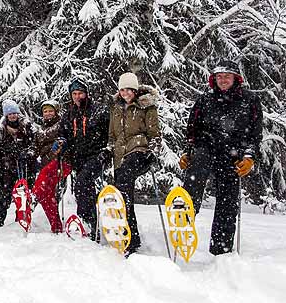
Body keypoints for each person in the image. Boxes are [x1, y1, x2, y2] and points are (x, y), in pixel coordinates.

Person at [179, 60, 262, 255]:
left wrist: (249, 156)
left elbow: (255, 134)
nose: (223, 79)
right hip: (206, 148)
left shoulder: (250, 100)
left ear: (236, 78)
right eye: (219, 76)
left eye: (227, 76)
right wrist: (187, 152)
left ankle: (221, 250)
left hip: (233, 154)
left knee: (227, 201)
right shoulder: (205, 100)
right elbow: (192, 130)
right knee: (197, 167)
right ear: (213, 79)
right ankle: (185, 210)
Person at [107, 72, 161, 254]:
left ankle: (130, 236)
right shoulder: (116, 108)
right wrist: (109, 149)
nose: (125, 93)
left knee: (123, 188)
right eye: (122, 90)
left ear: (135, 90)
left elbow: (154, 133)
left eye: (129, 89)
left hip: (140, 150)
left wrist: (153, 152)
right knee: (122, 193)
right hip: (120, 156)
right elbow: (112, 136)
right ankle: (129, 235)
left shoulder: (146, 106)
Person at [53, 77, 110, 235]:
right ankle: (91, 225)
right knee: (83, 189)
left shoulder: (98, 110)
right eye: (74, 94)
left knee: (82, 183)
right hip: (78, 156)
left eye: (80, 93)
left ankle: (86, 220)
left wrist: (107, 149)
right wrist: (61, 142)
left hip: (96, 154)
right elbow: (63, 133)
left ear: (86, 94)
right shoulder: (69, 113)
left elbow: (109, 131)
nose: (77, 97)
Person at [0, 99, 36, 229]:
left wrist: (28, 154)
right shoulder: (1, 131)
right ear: (6, 115)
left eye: (14, 113)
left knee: (24, 196)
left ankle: (22, 220)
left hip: (25, 167)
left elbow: (33, 145)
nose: (13, 116)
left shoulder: (26, 126)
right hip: (7, 168)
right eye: (10, 114)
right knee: (4, 195)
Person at [31, 99, 66, 233]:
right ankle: (56, 226)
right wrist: (31, 154)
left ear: (56, 112)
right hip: (45, 163)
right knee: (46, 195)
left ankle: (32, 198)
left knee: (41, 188)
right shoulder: (40, 130)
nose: (48, 114)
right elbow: (35, 146)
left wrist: (50, 155)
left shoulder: (61, 125)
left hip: (59, 162)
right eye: (45, 111)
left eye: (50, 111)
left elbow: (62, 143)